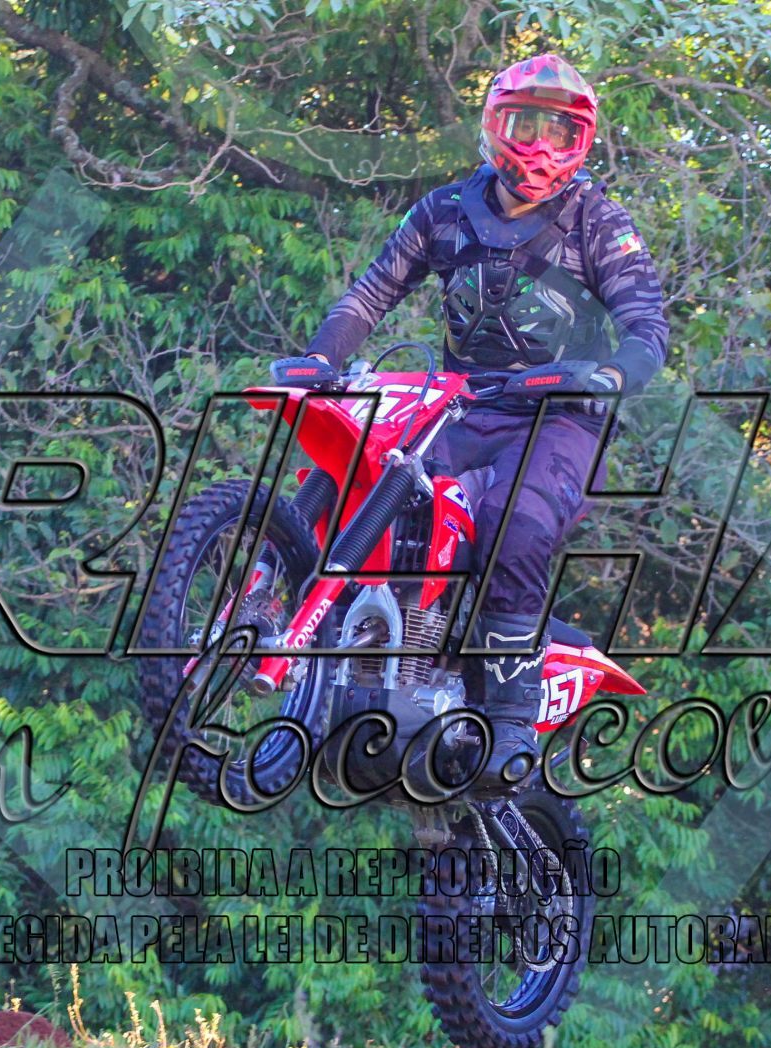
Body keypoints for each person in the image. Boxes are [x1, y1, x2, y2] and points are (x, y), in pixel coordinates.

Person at [271, 53, 670, 788]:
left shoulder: (599, 220)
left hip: (562, 416)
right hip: (462, 400)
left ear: (582, 140)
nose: (541, 145)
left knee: (512, 522)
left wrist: (613, 374)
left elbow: (647, 326)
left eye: (560, 130)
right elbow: (371, 293)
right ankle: (320, 639)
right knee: (366, 470)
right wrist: (321, 358)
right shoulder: (445, 210)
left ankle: (511, 720)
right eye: (526, 123)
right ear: (494, 125)